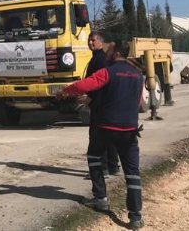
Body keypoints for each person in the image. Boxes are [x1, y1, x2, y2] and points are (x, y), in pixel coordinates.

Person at [57, 40, 145, 229]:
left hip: (106, 128)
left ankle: (101, 198)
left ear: (116, 53)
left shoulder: (107, 72)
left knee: (94, 156)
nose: (106, 52)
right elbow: (138, 102)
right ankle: (136, 217)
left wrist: (65, 91)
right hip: (130, 130)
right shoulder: (138, 76)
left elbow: (83, 86)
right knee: (132, 173)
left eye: (109, 50)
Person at [84, 32, 120, 176]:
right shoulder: (97, 58)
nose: (90, 43)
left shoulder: (100, 60)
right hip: (104, 103)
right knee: (108, 135)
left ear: (100, 42)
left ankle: (103, 167)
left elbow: (99, 82)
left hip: (100, 103)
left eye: (93, 40)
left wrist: (91, 97)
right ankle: (113, 166)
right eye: (89, 40)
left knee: (97, 136)